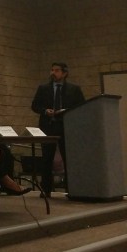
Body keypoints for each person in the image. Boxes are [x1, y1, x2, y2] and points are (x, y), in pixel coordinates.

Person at [30, 62, 85, 196]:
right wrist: (45, 111)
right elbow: (35, 105)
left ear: (64, 73)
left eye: (57, 70)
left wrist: (67, 111)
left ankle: (72, 189)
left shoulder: (74, 89)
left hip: (66, 127)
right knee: (47, 158)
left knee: (68, 158)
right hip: (48, 126)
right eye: (52, 70)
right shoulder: (43, 88)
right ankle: (46, 189)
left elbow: (82, 106)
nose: (53, 73)